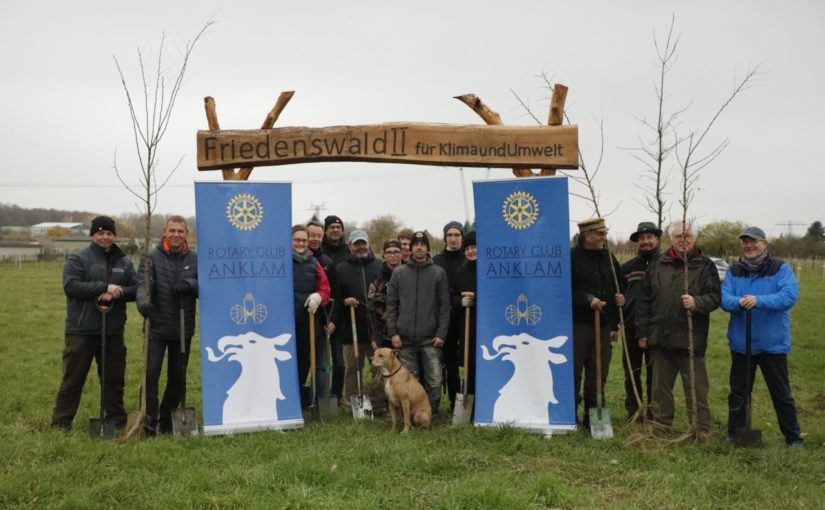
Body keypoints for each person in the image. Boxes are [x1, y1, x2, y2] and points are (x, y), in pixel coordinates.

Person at [51, 216, 136, 430]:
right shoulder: (78, 259)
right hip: (82, 330)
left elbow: (137, 289)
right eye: (100, 233)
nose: (105, 237)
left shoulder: (124, 262)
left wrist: (120, 293)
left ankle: (116, 421)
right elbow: (71, 286)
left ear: (114, 235)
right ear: (92, 235)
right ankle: (61, 423)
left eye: (109, 233)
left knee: (114, 379)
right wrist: (103, 288)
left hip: (113, 330)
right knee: (73, 378)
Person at [721, 226, 804, 447]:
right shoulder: (734, 270)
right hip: (742, 345)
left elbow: (788, 296)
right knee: (739, 393)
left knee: (781, 394)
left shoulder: (781, 269)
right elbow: (725, 298)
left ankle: (793, 437)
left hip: (772, 344)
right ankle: (736, 434)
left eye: (754, 241)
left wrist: (759, 300)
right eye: (745, 242)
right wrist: (738, 302)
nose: (749, 246)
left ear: (764, 244)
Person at [636, 221, 720, 435]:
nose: (683, 239)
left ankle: (699, 430)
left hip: (692, 339)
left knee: (697, 389)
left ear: (694, 238)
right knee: (660, 389)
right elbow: (645, 301)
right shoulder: (658, 264)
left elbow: (715, 297)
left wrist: (697, 302)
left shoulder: (704, 265)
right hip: (661, 338)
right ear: (670, 239)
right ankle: (661, 428)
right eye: (678, 235)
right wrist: (643, 333)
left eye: (688, 235)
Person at [136, 215, 198, 435]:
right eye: (172, 231)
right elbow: (141, 284)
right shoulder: (151, 257)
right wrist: (144, 303)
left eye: (180, 231)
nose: (176, 235)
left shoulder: (194, 258)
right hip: (157, 325)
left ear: (186, 234)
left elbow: (206, 285)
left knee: (178, 376)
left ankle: (167, 419)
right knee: (151, 375)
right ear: (165, 232)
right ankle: (148, 420)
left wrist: (190, 284)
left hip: (183, 327)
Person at [386, 231, 451, 414]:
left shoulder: (438, 273)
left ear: (428, 248)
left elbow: (444, 306)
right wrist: (394, 333)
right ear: (410, 248)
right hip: (405, 340)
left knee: (434, 380)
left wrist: (441, 334)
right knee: (408, 381)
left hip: (430, 339)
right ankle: (411, 413)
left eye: (422, 245)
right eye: (415, 245)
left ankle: (432, 413)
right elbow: (391, 305)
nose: (419, 247)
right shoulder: (399, 273)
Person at [570, 218, 625, 429]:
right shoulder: (572, 257)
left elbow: (619, 283)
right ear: (587, 236)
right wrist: (587, 299)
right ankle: (570, 417)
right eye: (599, 234)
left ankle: (594, 420)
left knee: (599, 374)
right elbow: (564, 290)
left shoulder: (608, 257)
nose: (604, 237)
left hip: (602, 326)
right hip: (579, 325)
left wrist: (620, 297)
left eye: (605, 233)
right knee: (574, 372)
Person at [620, 221, 662, 422]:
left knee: (655, 373)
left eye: (649, 237)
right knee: (631, 372)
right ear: (637, 242)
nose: (645, 241)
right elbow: (619, 294)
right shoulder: (627, 268)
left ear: (657, 239)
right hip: (631, 327)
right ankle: (634, 412)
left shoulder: (665, 265)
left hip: (657, 327)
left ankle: (655, 413)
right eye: (642, 238)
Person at [336, 229, 383, 405]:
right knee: (353, 366)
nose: (360, 247)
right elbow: (336, 296)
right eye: (356, 244)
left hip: (376, 328)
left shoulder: (380, 265)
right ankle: (352, 401)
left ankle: (378, 400)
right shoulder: (341, 268)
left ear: (368, 244)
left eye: (363, 243)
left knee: (378, 366)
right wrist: (344, 301)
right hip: (351, 326)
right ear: (350, 246)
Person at [291, 225, 331, 408]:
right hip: (284, 321)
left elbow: (325, 288)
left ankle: (297, 400)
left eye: (304, 240)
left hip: (307, 320)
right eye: (297, 240)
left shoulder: (314, 263)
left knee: (303, 361)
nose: (300, 243)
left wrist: (318, 297)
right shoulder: (281, 260)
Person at [433, 220, 466, 411]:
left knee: (469, 360)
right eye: (450, 235)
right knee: (450, 363)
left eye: (457, 235)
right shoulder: (437, 261)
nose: (453, 239)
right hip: (445, 319)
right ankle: (455, 403)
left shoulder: (468, 258)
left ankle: (471, 400)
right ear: (445, 238)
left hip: (466, 316)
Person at [307, 219, 340, 401]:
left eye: (319, 236)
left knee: (321, 364)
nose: (316, 239)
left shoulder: (327, 262)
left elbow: (336, 294)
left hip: (322, 320)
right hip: (300, 319)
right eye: (312, 235)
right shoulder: (291, 259)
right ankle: (302, 399)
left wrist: (333, 320)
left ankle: (319, 399)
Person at [321, 214, 349, 398]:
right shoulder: (317, 251)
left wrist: (334, 319)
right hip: (318, 310)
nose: (335, 230)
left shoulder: (347, 251)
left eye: (338, 227)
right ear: (326, 230)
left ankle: (336, 395)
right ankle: (318, 394)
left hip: (340, 310)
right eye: (331, 227)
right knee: (320, 360)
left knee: (340, 362)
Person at [456, 231, 478, 397]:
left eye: (474, 247)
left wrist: (476, 297)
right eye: (468, 248)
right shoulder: (461, 272)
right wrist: (460, 302)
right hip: (467, 325)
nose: (471, 251)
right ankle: (469, 399)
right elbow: (452, 295)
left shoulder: (489, 271)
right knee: (469, 363)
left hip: (485, 325)